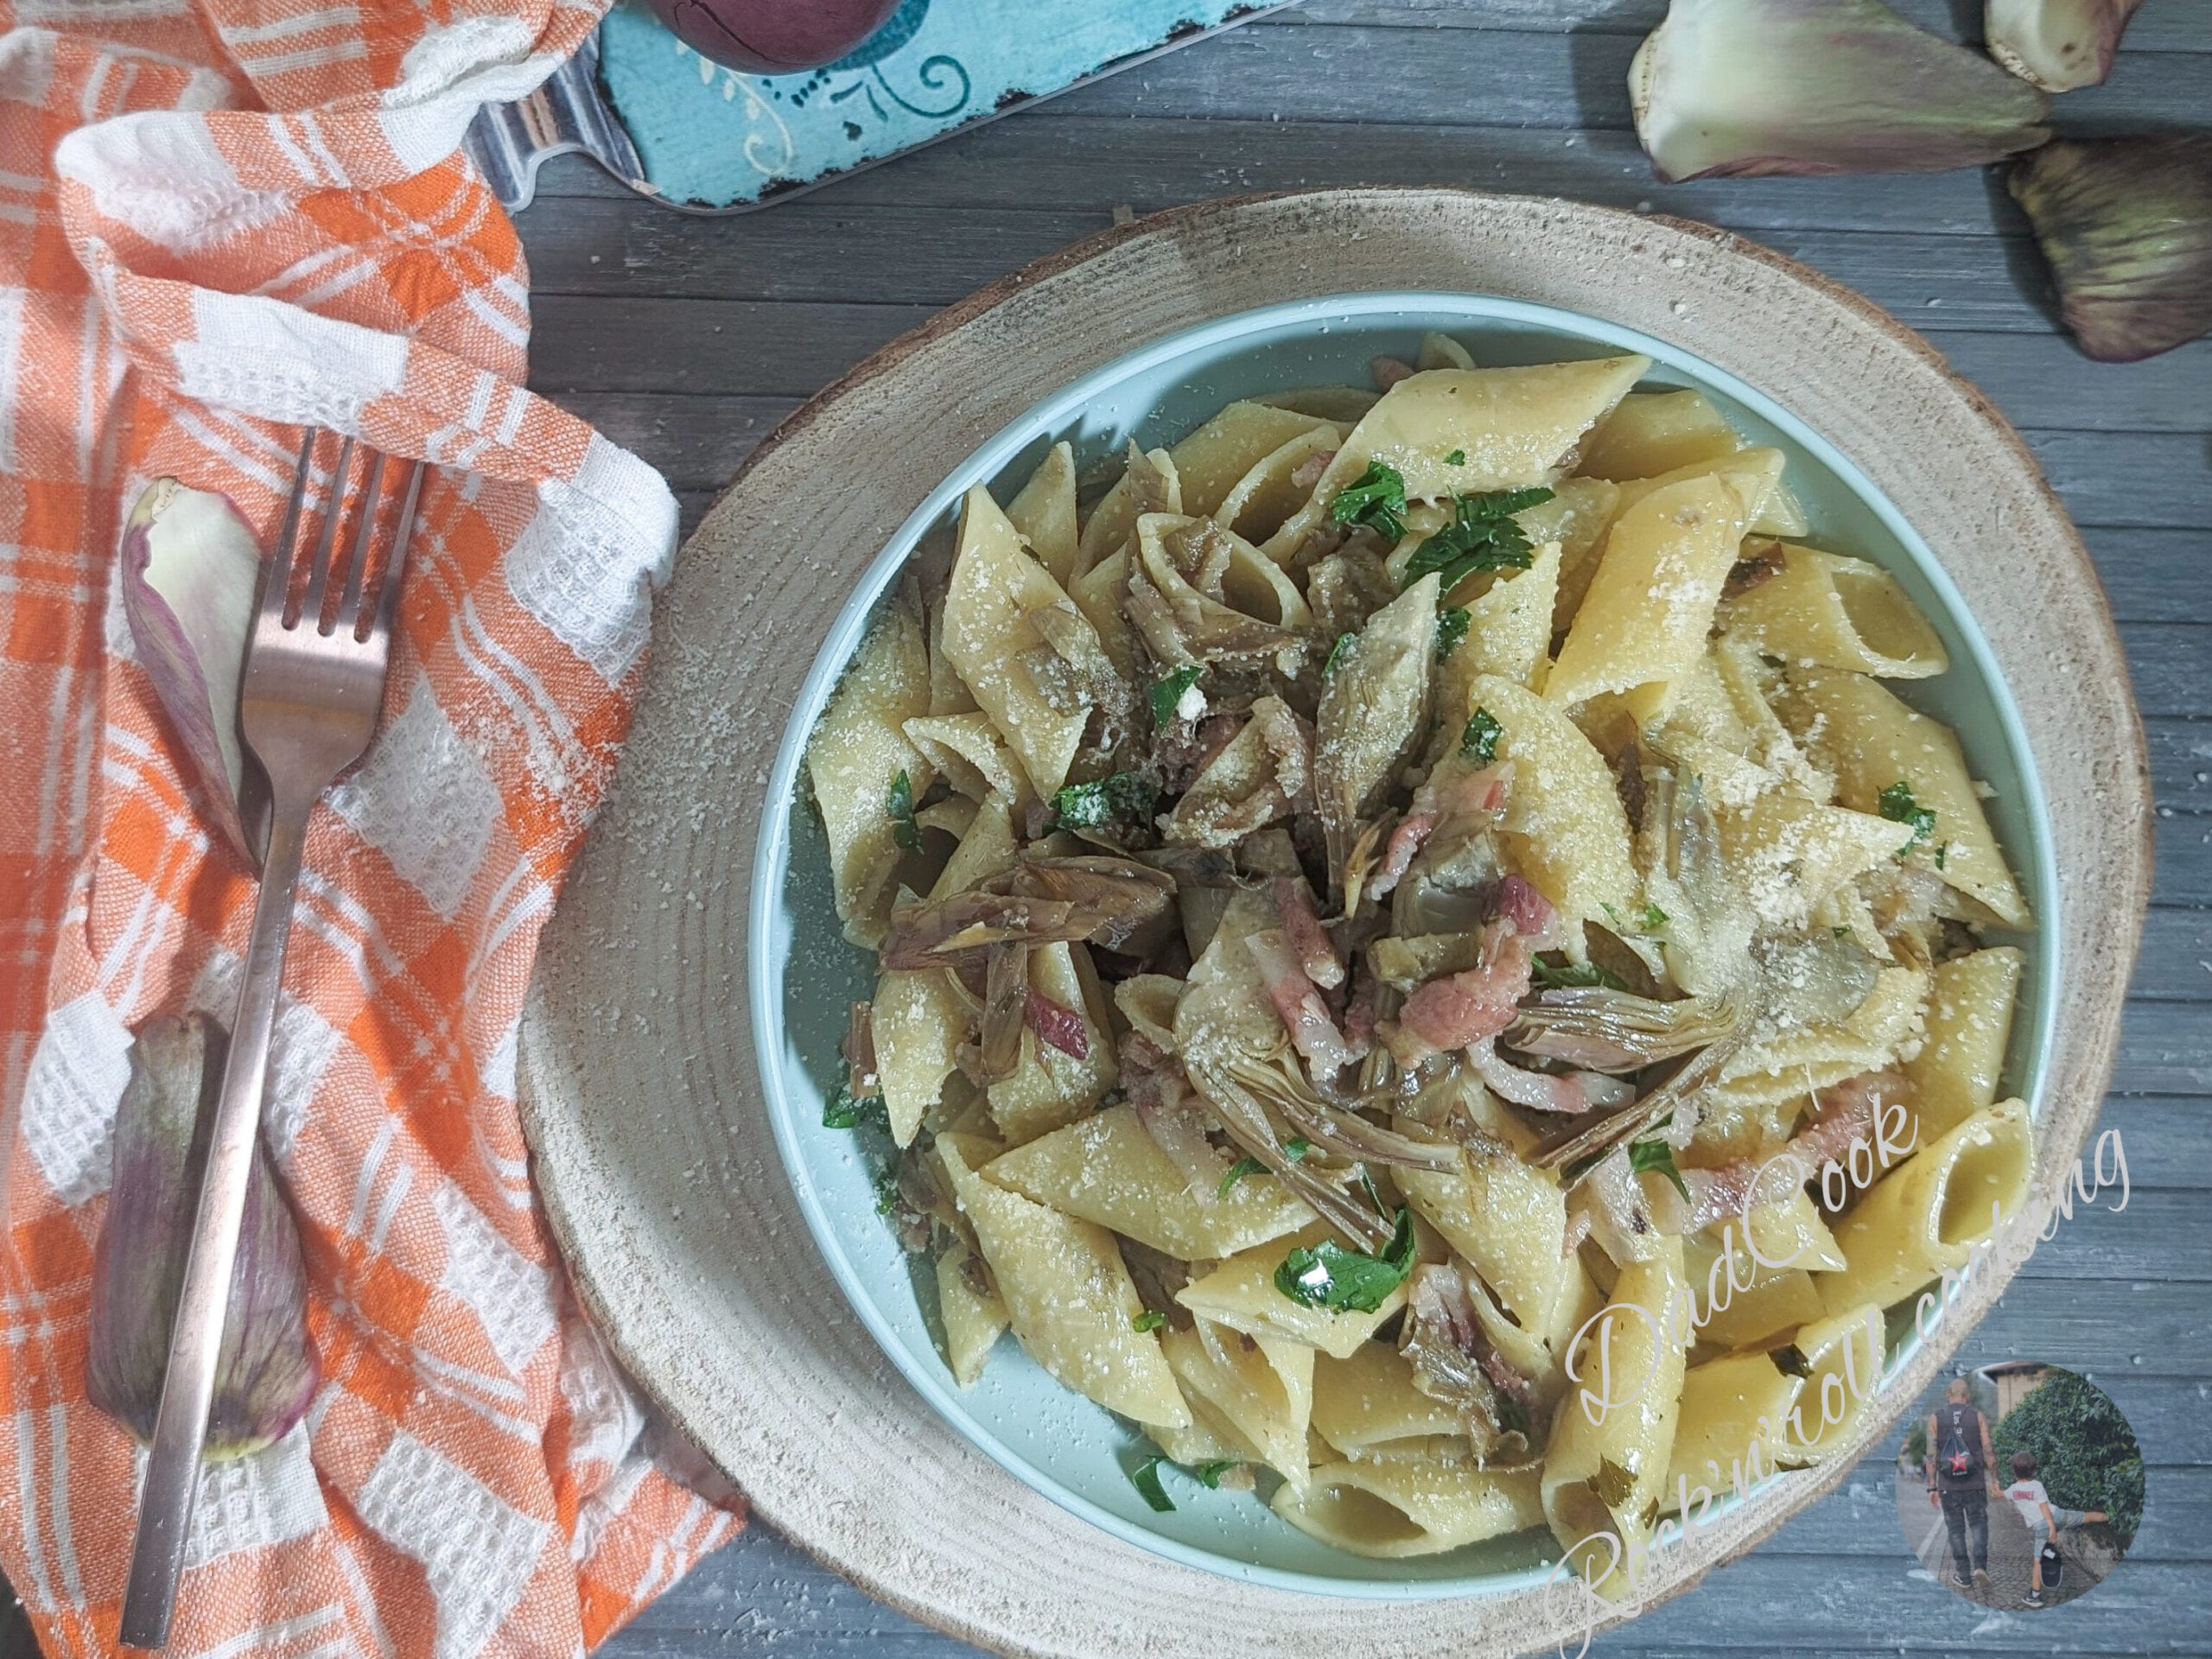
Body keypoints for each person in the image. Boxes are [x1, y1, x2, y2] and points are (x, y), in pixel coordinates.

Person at [2005, 1449, 2109, 1608]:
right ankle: (2113, 1517)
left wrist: (2052, 1528)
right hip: (2058, 1515)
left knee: (2038, 1560)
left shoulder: (2013, 1490)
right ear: (2033, 1471)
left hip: (2044, 1525)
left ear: (2014, 1471)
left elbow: (2041, 1507)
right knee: (2085, 1516)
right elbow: (2045, 1506)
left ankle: (2034, 1596)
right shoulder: (2037, 1485)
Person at [1924, 1377, 1999, 1592]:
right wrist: (1995, 1480)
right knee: (1979, 1525)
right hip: (1975, 1485)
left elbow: (1931, 1456)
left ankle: (1964, 1576)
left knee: (1956, 1530)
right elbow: (1989, 1452)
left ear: (1948, 1395)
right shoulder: (1977, 1416)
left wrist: (1932, 1486)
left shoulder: (1935, 1418)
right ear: (1968, 1396)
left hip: (1949, 1487)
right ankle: (1980, 1567)